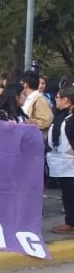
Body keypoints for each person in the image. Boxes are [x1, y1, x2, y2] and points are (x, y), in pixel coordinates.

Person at [47, 87, 74, 234]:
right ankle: (70, 221)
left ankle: (71, 222)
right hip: (63, 162)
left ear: (65, 100)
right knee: (67, 193)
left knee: (71, 193)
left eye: (57, 97)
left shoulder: (71, 118)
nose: (55, 100)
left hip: (70, 162)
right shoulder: (61, 116)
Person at [21, 70, 53, 135]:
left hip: (34, 139)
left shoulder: (39, 99)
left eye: (21, 83)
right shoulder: (26, 98)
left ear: (25, 85)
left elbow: (46, 121)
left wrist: (27, 122)